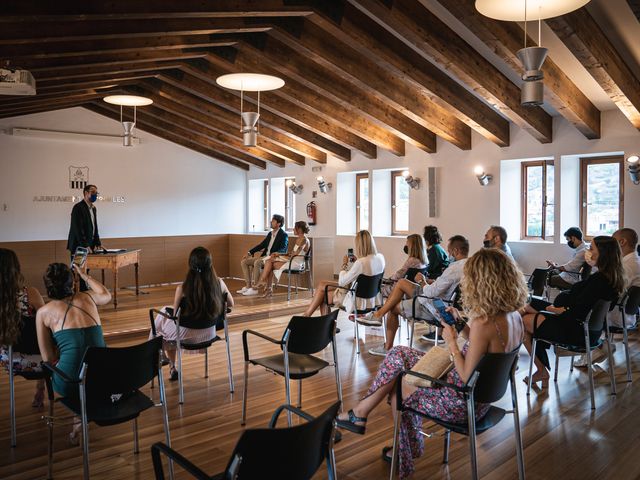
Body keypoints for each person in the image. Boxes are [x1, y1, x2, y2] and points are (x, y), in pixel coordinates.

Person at [335, 248, 527, 478]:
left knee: (399, 390)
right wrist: (460, 325)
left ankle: (403, 452)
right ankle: (361, 412)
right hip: (482, 399)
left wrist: (453, 343)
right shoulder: (515, 317)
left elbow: (466, 377)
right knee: (398, 354)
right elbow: (492, 358)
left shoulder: (484, 324)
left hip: (461, 401)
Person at [520, 236, 625, 387]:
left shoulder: (599, 281)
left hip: (575, 330)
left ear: (602, 253)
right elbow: (583, 307)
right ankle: (534, 367)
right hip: (588, 329)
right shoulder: (612, 278)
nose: (588, 252)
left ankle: (535, 367)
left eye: (592, 248)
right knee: (524, 305)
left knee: (523, 321)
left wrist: (554, 310)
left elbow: (577, 312)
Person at [36, 263, 112, 444]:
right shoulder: (88, 297)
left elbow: (48, 359)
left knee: (67, 367)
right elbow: (106, 294)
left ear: (48, 286)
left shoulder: (43, 313)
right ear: (72, 282)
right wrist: (84, 275)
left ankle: (79, 414)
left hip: (71, 381)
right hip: (105, 376)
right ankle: (82, 414)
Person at [362, 236, 469, 356]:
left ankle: (387, 346)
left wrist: (422, 281)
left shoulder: (454, 268)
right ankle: (378, 314)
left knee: (392, 307)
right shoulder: (467, 265)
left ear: (456, 251)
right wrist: (431, 281)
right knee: (402, 283)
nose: (448, 254)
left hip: (432, 304)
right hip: (438, 297)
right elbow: (444, 285)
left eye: (449, 251)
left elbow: (430, 293)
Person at [150, 247, 233, 381]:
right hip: (209, 333)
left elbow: (175, 315)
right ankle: (168, 363)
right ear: (210, 264)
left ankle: (167, 362)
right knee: (165, 318)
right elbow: (230, 304)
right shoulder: (219, 283)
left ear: (190, 265)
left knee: (162, 322)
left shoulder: (182, 288)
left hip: (186, 336)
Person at [0, 249, 46, 407]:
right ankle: (41, 386)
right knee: (43, 336)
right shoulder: (30, 294)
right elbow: (47, 322)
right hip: (40, 362)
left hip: (8, 360)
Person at [302, 230, 385, 317]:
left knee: (323, 294)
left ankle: (317, 320)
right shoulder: (380, 258)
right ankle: (311, 317)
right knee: (322, 285)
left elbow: (342, 282)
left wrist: (344, 265)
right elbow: (367, 272)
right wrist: (357, 261)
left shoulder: (361, 263)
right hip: (372, 299)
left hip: (356, 301)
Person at [253, 220, 311, 297]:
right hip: (292, 260)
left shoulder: (304, 240)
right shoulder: (298, 239)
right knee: (269, 262)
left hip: (296, 263)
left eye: (294, 228)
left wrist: (283, 256)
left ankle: (265, 284)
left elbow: (295, 254)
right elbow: (292, 253)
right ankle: (266, 287)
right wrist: (279, 254)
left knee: (269, 263)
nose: (293, 229)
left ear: (299, 229)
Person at [239, 214, 288, 296]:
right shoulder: (270, 234)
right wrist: (249, 252)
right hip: (264, 256)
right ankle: (248, 286)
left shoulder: (283, 235)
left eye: (273, 221)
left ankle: (255, 288)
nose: (271, 222)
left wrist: (276, 253)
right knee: (244, 262)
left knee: (257, 262)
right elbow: (261, 245)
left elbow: (284, 248)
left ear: (278, 223)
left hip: (272, 258)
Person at [67, 184, 104, 291]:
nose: (95, 195)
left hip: (89, 245)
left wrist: (98, 242)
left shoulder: (94, 208)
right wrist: (85, 245)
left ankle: (84, 294)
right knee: (77, 271)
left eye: (96, 193)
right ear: (86, 193)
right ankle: (75, 295)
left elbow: (94, 227)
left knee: (85, 270)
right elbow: (77, 229)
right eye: (93, 192)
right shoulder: (78, 208)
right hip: (79, 246)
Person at [609, 228, 640, 328]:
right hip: (627, 314)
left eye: (612, 241)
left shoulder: (628, 266)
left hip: (617, 314)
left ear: (622, 242)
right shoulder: (635, 260)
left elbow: (612, 292)